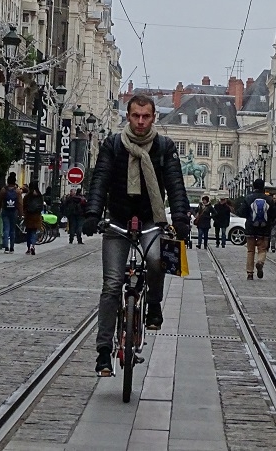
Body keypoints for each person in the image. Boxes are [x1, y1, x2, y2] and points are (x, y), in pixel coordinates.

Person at [85, 93, 189, 376]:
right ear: (128, 116)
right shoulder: (113, 145)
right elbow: (101, 179)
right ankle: (103, 351)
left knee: (155, 259)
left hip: (150, 218)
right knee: (111, 285)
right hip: (118, 219)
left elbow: (175, 185)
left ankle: (153, 305)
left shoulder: (164, 146)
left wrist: (180, 219)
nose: (141, 121)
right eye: (135, 116)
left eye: (146, 116)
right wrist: (93, 213)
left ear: (154, 117)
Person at [238, 178, 273, 280]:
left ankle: (250, 273)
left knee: (250, 251)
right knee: (262, 250)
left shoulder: (249, 198)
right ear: (263, 187)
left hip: (250, 228)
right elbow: (274, 213)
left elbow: (241, 212)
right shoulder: (269, 199)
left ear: (254, 186)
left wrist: (249, 218)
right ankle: (260, 262)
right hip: (264, 229)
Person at [0, 173, 22, 254]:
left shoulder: (3, 190)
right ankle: (12, 247)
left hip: (5, 210)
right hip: (14, 211)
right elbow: (20, 203)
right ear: (15, 182)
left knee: (6, 229)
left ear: (7, 181)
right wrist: (20, 213)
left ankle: (6, 247)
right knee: (12, 230)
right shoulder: (17, 191)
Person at [23, 181, 45, 255]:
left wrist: (24, 213)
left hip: (29, 216)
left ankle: (28, 248)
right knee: (34, 232)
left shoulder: (27, 196)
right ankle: (33, 245)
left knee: (28, 232)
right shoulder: (40, 196)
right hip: (36, 216)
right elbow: (42, 206)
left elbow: (24, 205)